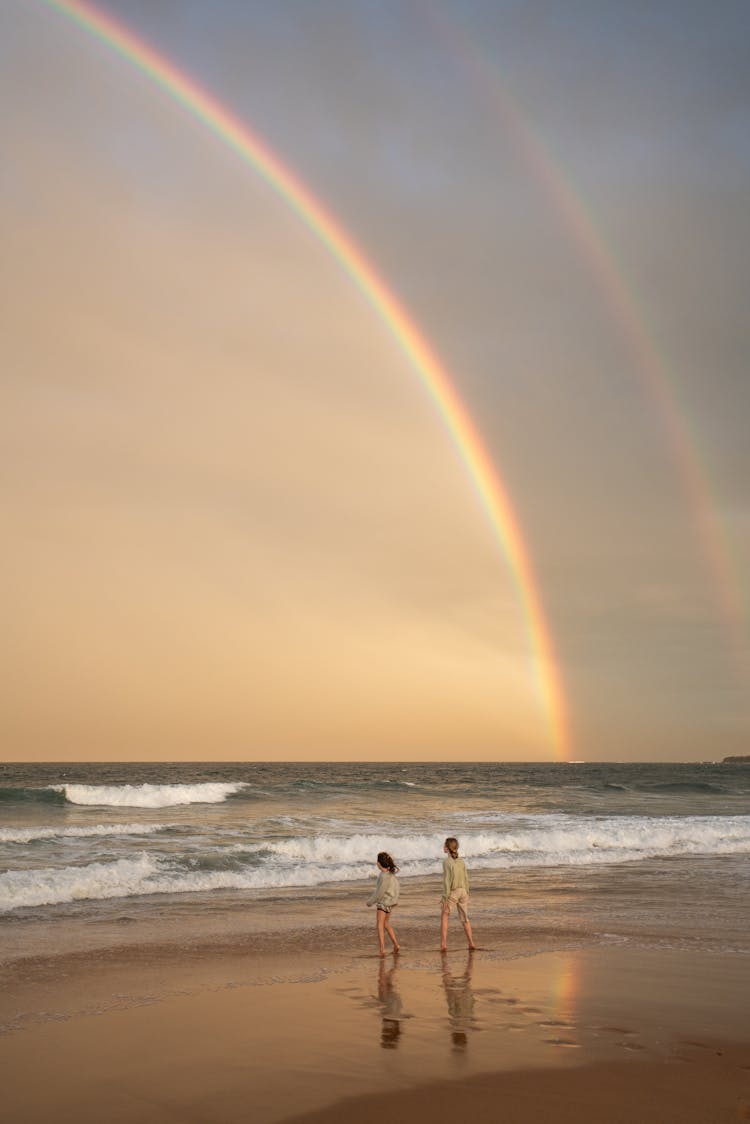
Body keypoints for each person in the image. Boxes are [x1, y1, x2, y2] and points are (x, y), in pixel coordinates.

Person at [440, 837, 475, 952]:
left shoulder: (446, 862)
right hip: (464, 891)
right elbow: (466, 877)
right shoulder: (461, 861)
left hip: (454, 892)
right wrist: (467, 891)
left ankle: (444, 944)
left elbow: (447, 881)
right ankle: (471, 943)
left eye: (444, 846)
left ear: (447, 849)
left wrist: (445, 898)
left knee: (445, 915)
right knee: (465, 918)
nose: (443, 847)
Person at [366, 851, 400, 956]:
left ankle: (382, 949)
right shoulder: (391, 874)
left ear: (380, 864)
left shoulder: (383, 876)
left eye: (377, 861)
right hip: (390, 903)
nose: (376, 863)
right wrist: (395, 900)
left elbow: (380, 892)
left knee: (380, 925)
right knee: (386, 924)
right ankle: (396, 944)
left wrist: (370, 902)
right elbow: (396, 888)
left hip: (383, 903)